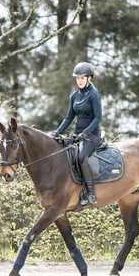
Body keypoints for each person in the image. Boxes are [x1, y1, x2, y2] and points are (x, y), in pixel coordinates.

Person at [53, 61, 102, 206]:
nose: (79, 81)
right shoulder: (74, 96)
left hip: (92, 134)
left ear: (89, 78)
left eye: (82, 78)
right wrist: (57, 132)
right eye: (77, 78)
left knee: (81, 157)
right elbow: (69, 117)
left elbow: (98, 117)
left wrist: (86, 133)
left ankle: (91, 194)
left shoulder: (94, 94)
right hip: (77, 133)